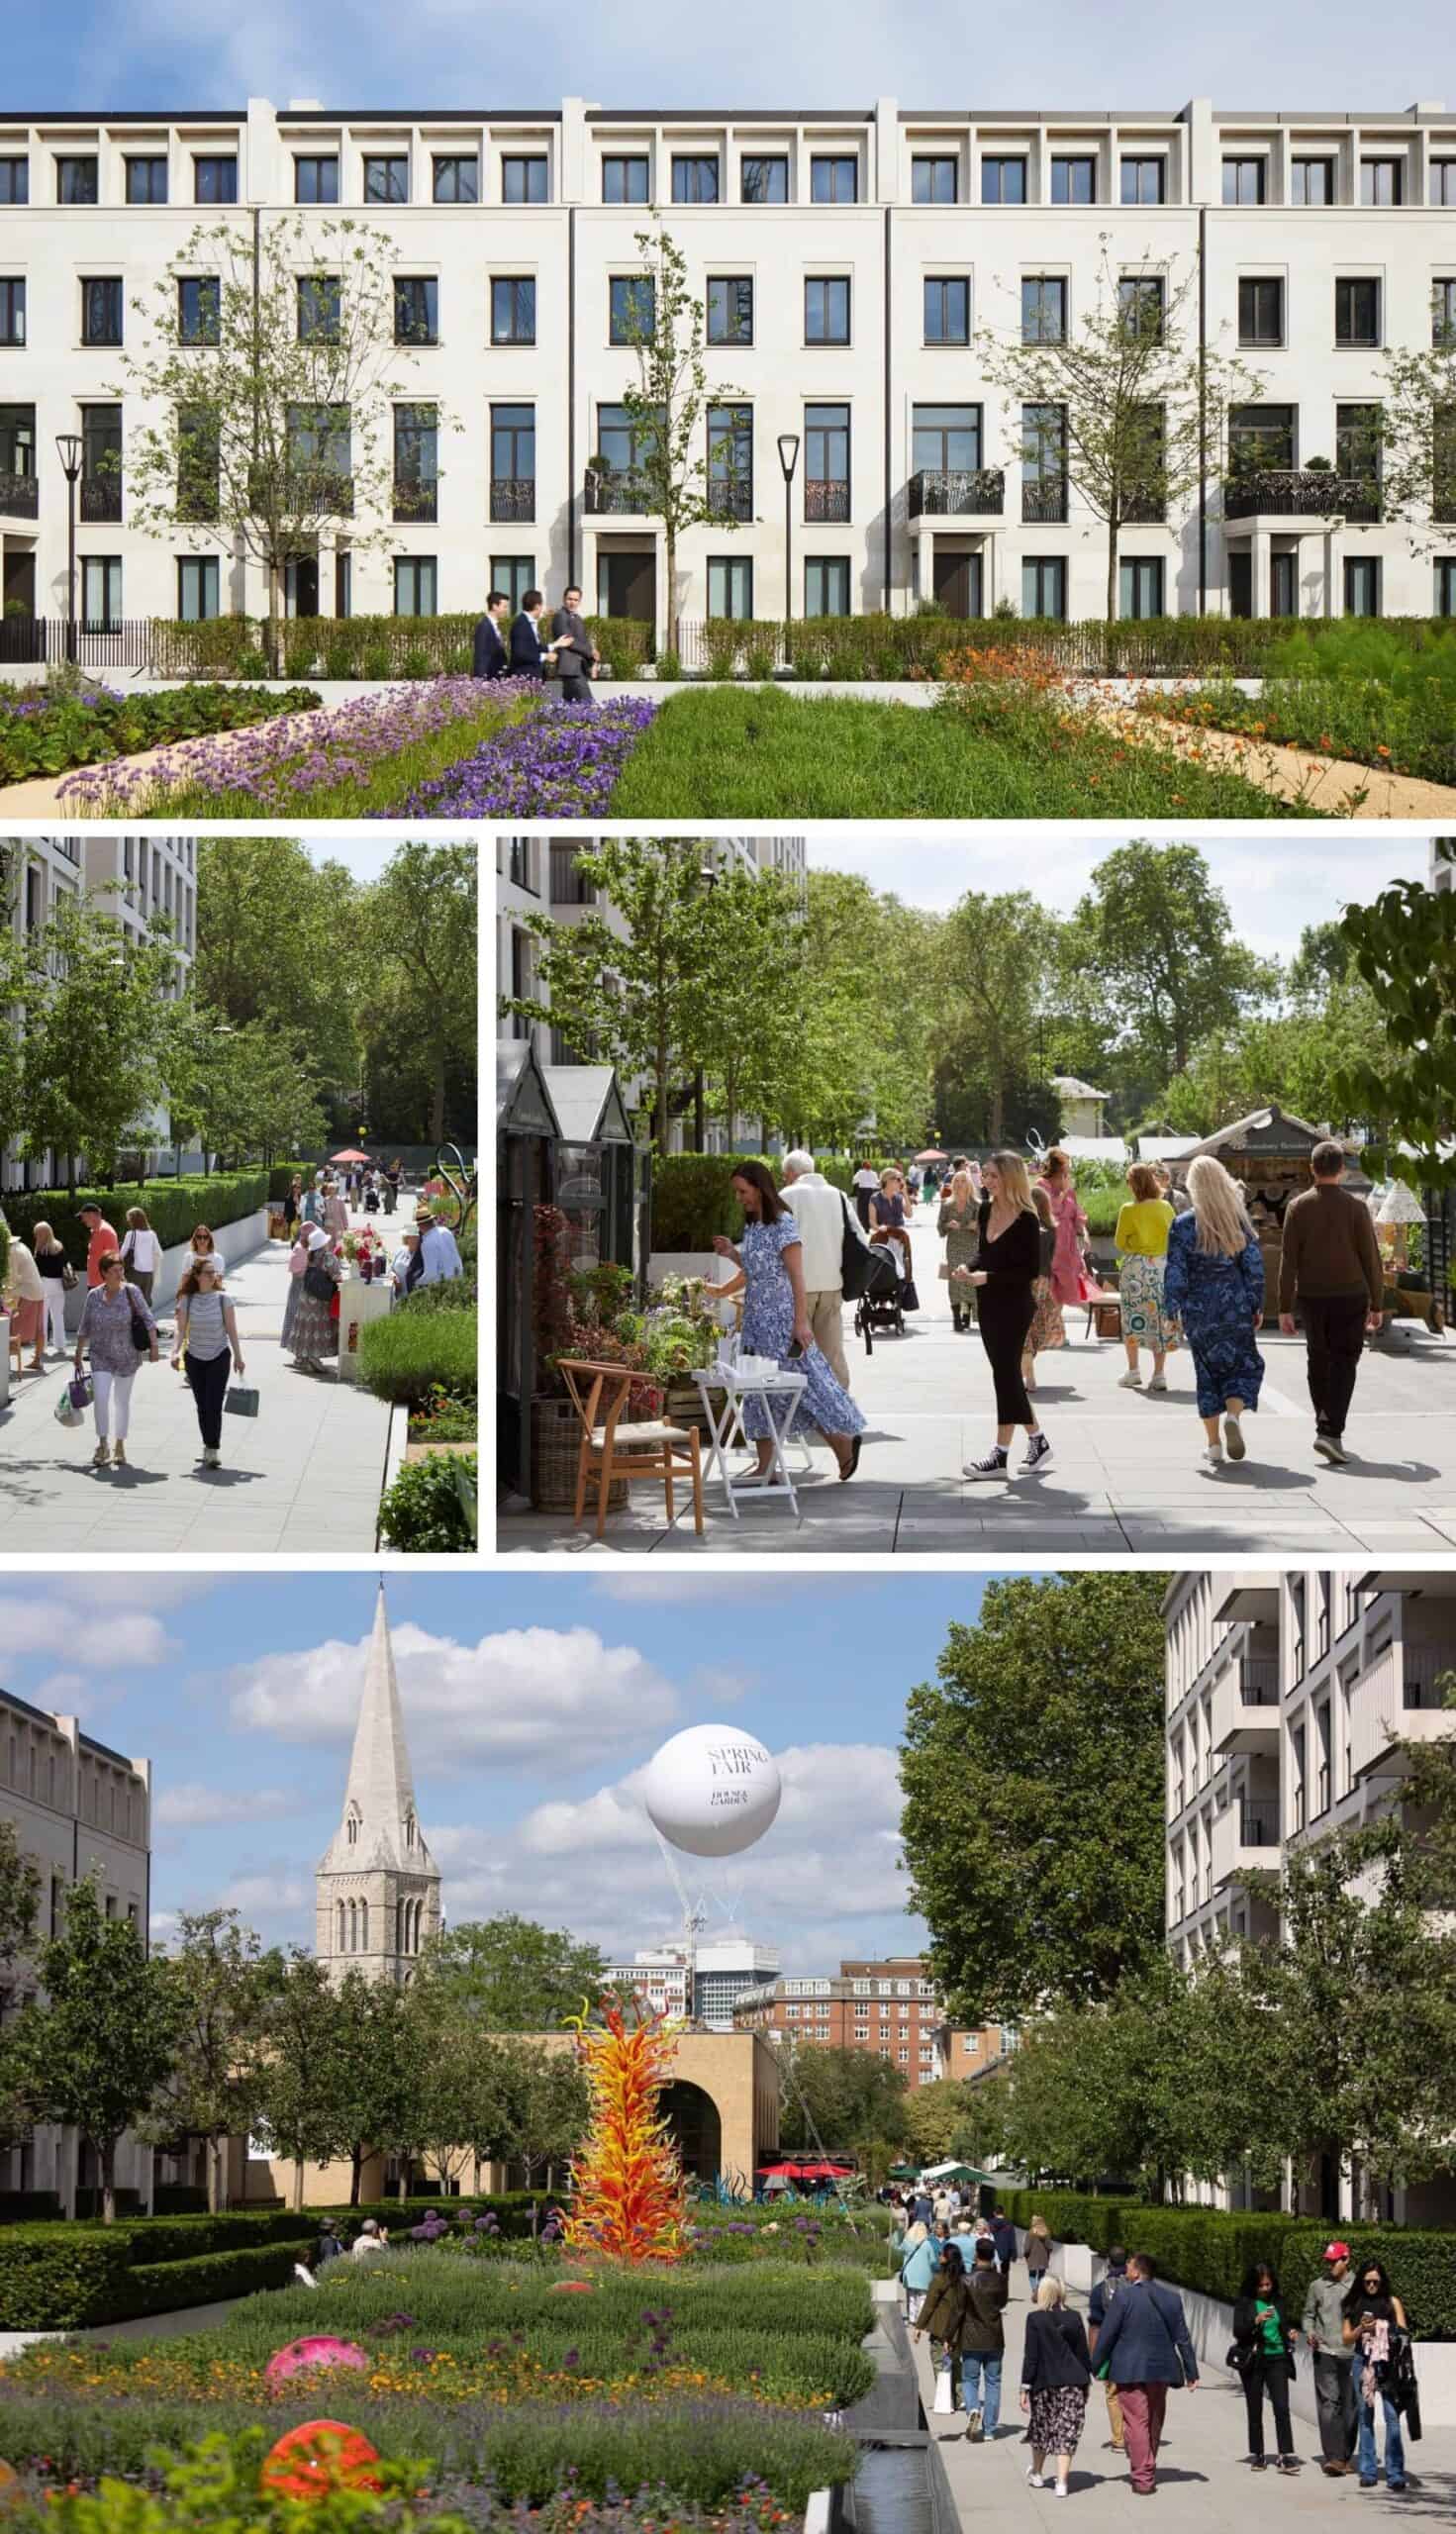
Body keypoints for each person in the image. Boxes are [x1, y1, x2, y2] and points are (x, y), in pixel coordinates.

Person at [706, 1161, 866, 1483]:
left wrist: (800, 1323)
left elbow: (797, 1277)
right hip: (755, 1323)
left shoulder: (783, 1223)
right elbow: (757, 1271)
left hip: (781, 1323)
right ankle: (767, 1466)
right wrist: (731, 1257)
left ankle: (843, 1444)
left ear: (759, 1188)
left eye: (743, 1191)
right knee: (758, 1391)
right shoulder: (754, 1227)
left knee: (803, 1389)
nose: (739, 1198)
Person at [1278, 1139, 1384, 1466]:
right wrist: (1377, 1303)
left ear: (1312, 1168)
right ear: (1342, 1170)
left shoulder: (1298, 1207)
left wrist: (1283, 1307)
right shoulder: (1356, 1208)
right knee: (1345, 1361)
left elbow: (1288, 1260)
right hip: (1351, 1294)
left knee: (1318, 1358)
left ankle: (1324, 1422)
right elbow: (1371, 1258)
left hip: (1311, 1295)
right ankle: (1330, 1431)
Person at [1162, 1155, 1266, 1471]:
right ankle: (1233, 1416)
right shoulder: (1236, 1220)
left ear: (1193, 1186)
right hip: (1234, 1303)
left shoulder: (1182, 1225)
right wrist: (1255, 1303)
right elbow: (1254, 1266)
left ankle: (1214, 1445)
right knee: (1240, 1366)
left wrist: (1171, 1310)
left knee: (1206, 1374)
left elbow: (1176, 1272)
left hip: (1199, 1308)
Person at [955, 1150, 1052, 1479]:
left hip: (1014, 1305)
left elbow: (1028, 1271)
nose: (986, 1180)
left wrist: (988, 1278)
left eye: (993, 1175)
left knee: (1005, 1374)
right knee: (1006, 1375)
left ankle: (1000, 1455)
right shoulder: (985, 1209)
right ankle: (1037, 1440)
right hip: (988, 1304)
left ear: (1010, 1178)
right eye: (985, 1174)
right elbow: (984, 1253)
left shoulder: (1027, 1218)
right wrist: (967, 1267)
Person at [1089, 2248, 1200, 2497]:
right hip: (1161, 2369)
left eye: (1130, 2265)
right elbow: (1182, 2337)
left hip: (1129, 2369)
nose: (1127, 2268)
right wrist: (1191, 2371)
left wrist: (1095, 2365)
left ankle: (1142, 2476)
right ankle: (1147, 2463)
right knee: (1154, 2419)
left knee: (1136, 2421)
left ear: (1138, 2270)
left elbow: (1107, 2334)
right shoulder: (1172, 2299)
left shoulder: (1124, 2298)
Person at [73, 1250, 159, 1469]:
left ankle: (120, 1444)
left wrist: (154, 1347)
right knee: (101, 1398)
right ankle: (102, 1443)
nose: (120, 1274)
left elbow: (149, 1319)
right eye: (114, 1271)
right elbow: (85, 1326)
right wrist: (77, 1353)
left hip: (127, 1356)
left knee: (121, 1402)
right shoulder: (94, 1296)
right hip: (100, 1355)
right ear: (103, 1273)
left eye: (121, 1270)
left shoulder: (131, 1292)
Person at [780, 1148, 857, 1391]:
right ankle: (842, 1414)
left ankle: (803, 1412)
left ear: (791, 1173)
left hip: (797, 1288)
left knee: (798, 1356)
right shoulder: (839, 1195)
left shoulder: (786, 1195)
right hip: (832, 1284)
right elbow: (860, 1238)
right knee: (833, 1354)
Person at [171, 1254, 245, 1469]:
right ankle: (207, 1445)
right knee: (202, 1405)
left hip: (219, 1356)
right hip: (194, 1358)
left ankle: (213, 1449)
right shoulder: (187, 1300)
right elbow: (180, 1328)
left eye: (214, 1273)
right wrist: (175, 1352)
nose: (213, 1276)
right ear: (197, 1276)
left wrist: (239, 1358)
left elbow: (232, 1330)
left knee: (213, 1404)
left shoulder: (224, 1299)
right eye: (208, 1273)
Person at [1342, 2256, 1410, 2491]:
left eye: (1376, 2282)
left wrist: (1382, 2327)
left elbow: (1403, 2332)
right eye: (1367, 2282)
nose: (1372, 2286)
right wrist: (1362, 2327)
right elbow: (1346, 2338)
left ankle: (1395, 2473)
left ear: (1382, 2282)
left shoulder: (1392, 2303)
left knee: (1392, 2418)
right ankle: (1368, 2471)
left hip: (1387, 2365)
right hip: (1363, 2362)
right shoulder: (1353, 2303)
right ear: (1361, 2281)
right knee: (1365, 2417)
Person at [1020, 2275, 1092, 2498]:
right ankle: (1062, 2482)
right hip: (1073, 2380)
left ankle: (1038, 2474)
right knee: (1067, 2430)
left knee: (1042, 2427)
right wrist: (1087, 2379)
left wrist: (1025, 2386)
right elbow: (1082, 2352)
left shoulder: (1035, 2319)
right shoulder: (1074, 2317)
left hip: (1044, 2382)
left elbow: (1031, 2356)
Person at [1232, 2261, 1300, 2475]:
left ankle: (1285, 2454)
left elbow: (1284, 2324)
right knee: (1255, 2408)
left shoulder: (1279, 2302)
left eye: (1268, 2285)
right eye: (1261, 2286)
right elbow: (1238, 2331)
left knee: (1281, 2406)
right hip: (1255, 2360)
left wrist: (1290, 2332)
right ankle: (1258, 2454)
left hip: (1278, 2357)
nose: (1265, 2289)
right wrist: (1256, 2320)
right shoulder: (1245, 2303)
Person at [1115, 1163, 1177, 1391]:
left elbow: (1120, 1242)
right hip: (1161, 1267)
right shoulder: (1166, 1207)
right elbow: (1174, 1238)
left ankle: (1133, 1370)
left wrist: (1134, 1244)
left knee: (1132, 1318)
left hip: (1135, 1269)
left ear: (1134, 1184)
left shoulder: (1128, 1209)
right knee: (1159, 1319)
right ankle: (1159, 1374)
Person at [1303, 2241, 1359, 2477]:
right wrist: (1310, 2332)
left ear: (1346, 2259)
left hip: (1353, 2355)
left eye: (1334, 2260)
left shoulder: (1360, 2286)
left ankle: (1345, 2456)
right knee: (1329, 2404)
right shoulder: (1317, 2286)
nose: (1330, 2265)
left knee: (1351, 2407)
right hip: (1325, 2353)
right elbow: (1308, 2315)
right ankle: (1333, 2458)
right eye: (1328, 2260)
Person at [958, 2235, 1010, 2442]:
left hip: (971, 2336)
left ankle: (972, 2408)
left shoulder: (966, 2280)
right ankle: (989, 2429)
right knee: (993, 2382)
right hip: (994, 2336)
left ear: (976, 2255)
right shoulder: (1001, 2280)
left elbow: (959, 2310)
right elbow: (1003, 2303)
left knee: (970, 2379)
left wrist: (949, 2336)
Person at [914, 2239, 972, 2419]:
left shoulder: (939, 2280)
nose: (939, 2256)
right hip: (959, 2329)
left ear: (946, 2259)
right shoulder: (965, 2280)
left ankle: (945, 2400)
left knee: (939, 2362)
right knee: (955, 2361)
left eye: (941, 2254)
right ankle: (960, 2396)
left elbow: (929, 2305)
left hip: (940, 2328)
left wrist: (919, 2326)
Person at [1039, 1150, 1095, 1312]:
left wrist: (1084, 1232)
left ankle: (1056, 1324)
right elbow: (1049, 1210)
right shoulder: (1042, 1185)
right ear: (1057, 1166)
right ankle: (1051, 1327)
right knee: (1050, 1286)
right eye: (1066, 1164)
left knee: (1063, 1287)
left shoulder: (1069, 1188)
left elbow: (1077, 1213)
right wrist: (1062, 1192)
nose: (1069, 1168)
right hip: (1050, 1242)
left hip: (1067, 1244)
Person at [1020, 1182, 1063, 1396]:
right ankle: (1028, 1372)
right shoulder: (1051, 1229)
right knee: (1036, 1326)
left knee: (1023, 1327)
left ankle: (1027, 1372)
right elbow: (1051, 1258)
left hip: (1022, 1280)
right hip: (1043, 1281)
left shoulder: (1019, 1226)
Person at [1087, 2244, 1129, 2455]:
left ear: (1108, 2263)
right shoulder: (1136, 2288)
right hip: (1135, 2346)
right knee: (1135, 2391)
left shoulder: (1099, 2290)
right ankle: (1136, 2433)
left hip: (1111, 2348)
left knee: (1113, 2393)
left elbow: (1095, 2325)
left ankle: (1119, 2439)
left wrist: (1093, 2357)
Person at [286, 1226, 341, 1375]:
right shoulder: (329, 1257)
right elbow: (336, 1276)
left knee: (305, 1326)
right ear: (324, 1243)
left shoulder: (310, 1256)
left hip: (306, 1296)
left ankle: (301, 1358)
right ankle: (314, 1357)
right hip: (320, 1300)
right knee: (317, 1327)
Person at [938, 1166, 980, 1334]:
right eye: (957, 1181)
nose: (960, 1184)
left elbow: (981, 1227)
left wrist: (972, 1225)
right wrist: (948, 1225)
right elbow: (940, 1228)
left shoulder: (977, 1204)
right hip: (954, 1245)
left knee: (969, 1279)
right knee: (955, 1280)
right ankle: (956, 1317)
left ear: (969, 1184)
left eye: (963, 1181)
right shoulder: (947, 1204)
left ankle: (967, 1313)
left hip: (971, 1245)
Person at [2, 1233, 46, 1373]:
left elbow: (12, 1277)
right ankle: (37, 1360)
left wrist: (4, 1292)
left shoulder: (12, 1252)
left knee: (10, 1328)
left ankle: (4, 1365)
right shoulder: (21, 1246)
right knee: (39, 1328)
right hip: (37, 1289)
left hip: (27, 1292)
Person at [550, 583, 601, 703]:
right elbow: (568, 641)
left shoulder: (577, 618)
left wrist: (593, 654)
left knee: (569, 706)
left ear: (579, 601)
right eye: (569, 599)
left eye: (576, 600)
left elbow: (582, 640)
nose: (572, 602)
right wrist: (590, 652)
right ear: (564, 599)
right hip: (570, 669)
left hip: (577, 668)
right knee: (588, 703)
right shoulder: (560, 616)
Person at [31, 1221, 71, 1360]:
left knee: (42, 1317)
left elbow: (37, 1269)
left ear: (42, 1233)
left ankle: (42, 1347)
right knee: (58, 1315)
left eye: (37, 1233)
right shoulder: (58, 1246)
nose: (35, 1235)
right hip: (59, 1284)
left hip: (45, 1284)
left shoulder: (41, 1249)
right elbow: (66, 1263)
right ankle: (60, 1346)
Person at [510, 588, 562, 678]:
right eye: (542, 605)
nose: (542, 609)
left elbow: (534, 647)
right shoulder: (521, 623)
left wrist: (556, 644)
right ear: (537, 606)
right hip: (524, 677)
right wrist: (545, 656)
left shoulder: (529, 622)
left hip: (533, 675)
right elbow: (520, 653)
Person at [413, 1204, 464, 1286]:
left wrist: (416, 1283)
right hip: (458, 1280)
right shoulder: (446, 1231)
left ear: (420, 1226)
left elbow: (431, 1274)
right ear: (433, 1220)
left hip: (443, 1286)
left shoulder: (427, 1243)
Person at [118, 1206, 160, 1306]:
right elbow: (158, 1252)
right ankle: (145, 1321)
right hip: (149, 1274)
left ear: (133, 1220)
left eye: (129, 1219)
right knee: (145, 1303)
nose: (128, 1221)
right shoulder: (152, 1234)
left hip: (134, 1273)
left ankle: (134, 1321)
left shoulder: (131, 1234)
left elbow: (122, 1254)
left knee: (132, 1302)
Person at [901, 2219, 939, 2326]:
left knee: (911, 2297)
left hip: (910, 2274)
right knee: (922, 2298)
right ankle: (920, 2320)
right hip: (924, 2275)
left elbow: (900, 2250)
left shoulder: (906, 2242)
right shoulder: (927, 2244)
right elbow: (932, 2260)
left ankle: (912, 2318)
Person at [77, 1199, 119, 1289]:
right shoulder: (96, 1230)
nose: (83, 1221)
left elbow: (113, 1259)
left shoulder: (105, 1231)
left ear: (92, 1215)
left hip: (102, 1284)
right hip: (96, 1283)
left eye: (83, 1217)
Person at [471, 587, 512, 679]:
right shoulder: (484, 626)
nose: (506, 610)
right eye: (504, 607)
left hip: (497, 678)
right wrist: (481, 681)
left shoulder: (494, 625)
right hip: (488, 679)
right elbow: (481, 656)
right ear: (494, 606)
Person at [1024, 2213, 1053, 2300]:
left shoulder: (1030, 2233)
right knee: (1041, 2275)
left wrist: (1026, 2255)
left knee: (1032, 2275)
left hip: (1032, 2258)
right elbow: (1050, 2246)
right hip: (1043, 2259)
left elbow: (1027, 2248)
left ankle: (1035, 2290)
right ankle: (1039, 2290)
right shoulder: (1046, 2233)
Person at [852, 1157, 882, 1231]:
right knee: (870, 1209)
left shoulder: (860, 1172)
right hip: (871, 1192)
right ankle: (870, 1225)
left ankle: (864, 1226)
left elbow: (854, 1181)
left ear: (863, 1166)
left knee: (862, 1210)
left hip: (862, 1192)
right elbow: (877, 1183)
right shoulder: (874, 1173)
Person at [391, 1229, 422, 1297]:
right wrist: (394, 1277)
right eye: (412, 1237)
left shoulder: (421, 1255)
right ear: (407, 1238)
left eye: (417, 1237)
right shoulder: (400, 1250)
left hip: (412, 1297)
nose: (414, 1240)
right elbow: (390, 1269)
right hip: (396, 1295)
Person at [990, 2207, 1018, 2277]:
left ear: (994, 2213)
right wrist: (1014, 2254)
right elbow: (1012, 2239)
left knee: (994, 2275)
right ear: (1003, 2212)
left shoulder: (990, 2223)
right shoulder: (1009, 2223)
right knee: (1005, 2274)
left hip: (993, 2252)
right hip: (1006, 2252)